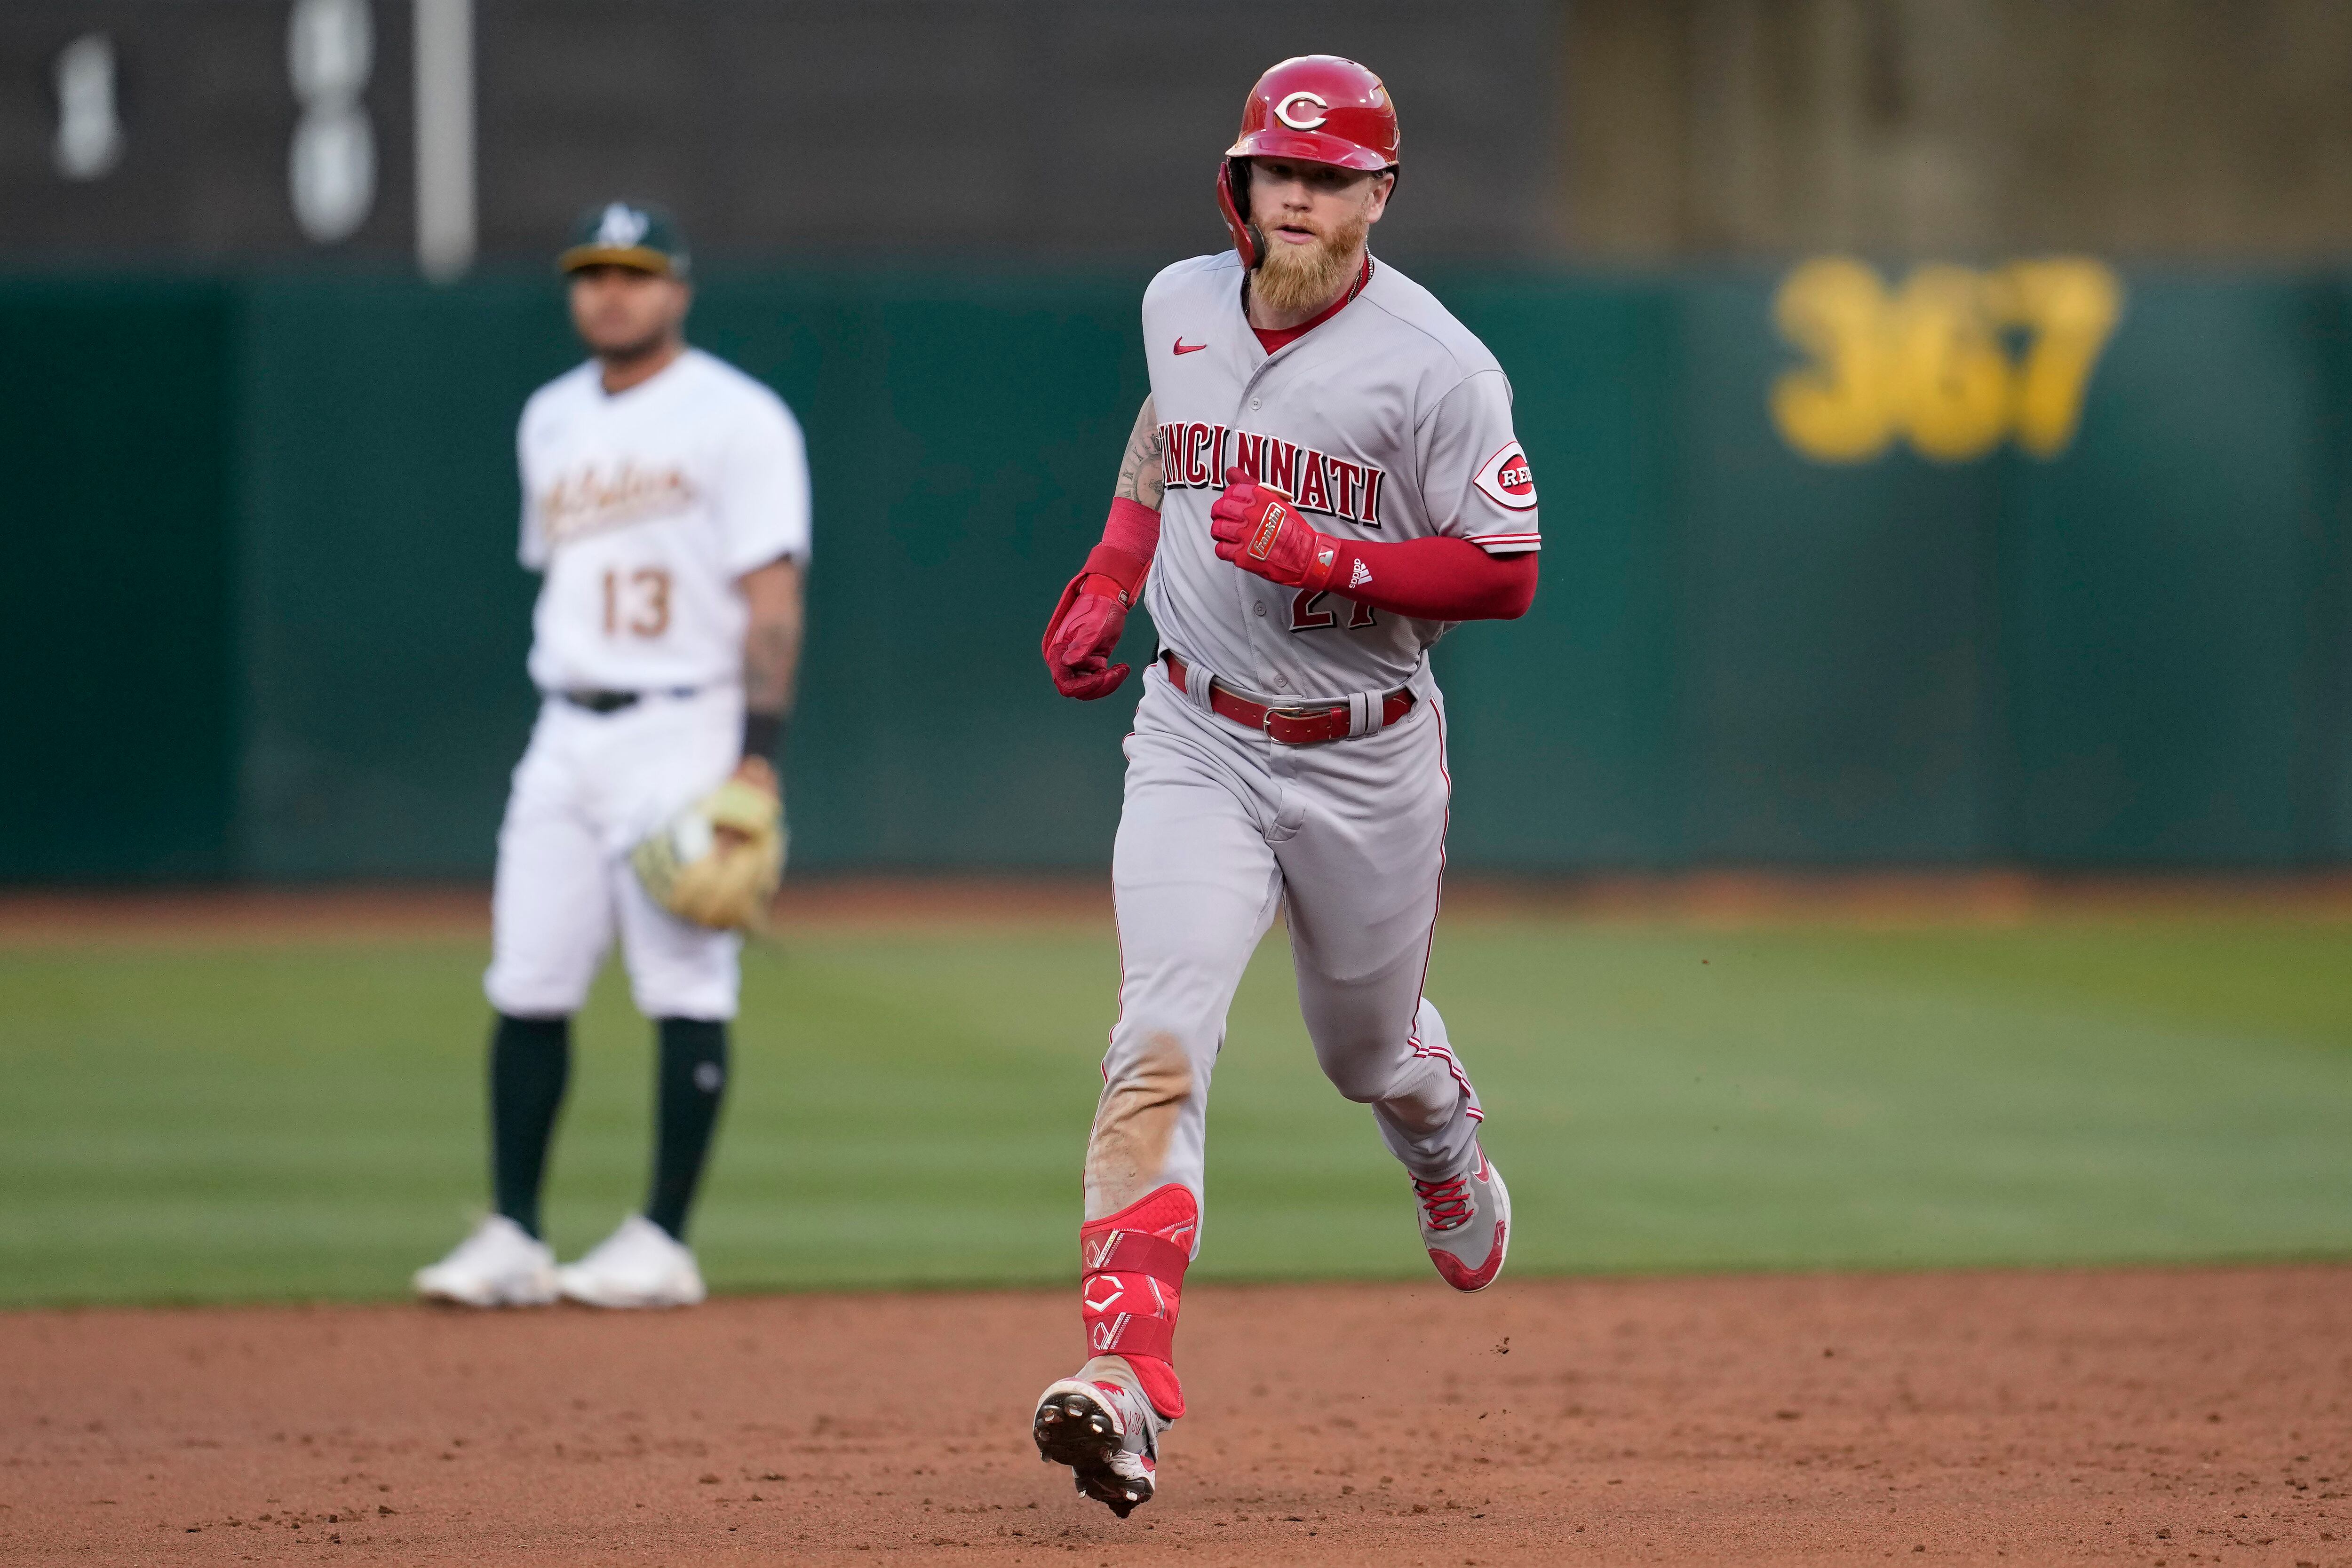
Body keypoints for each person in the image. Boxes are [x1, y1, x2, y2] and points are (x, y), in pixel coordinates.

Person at [1028, 54, 1544, 1517]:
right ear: (1240, 184)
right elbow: (1164, 435)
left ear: (1378, 196)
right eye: (1279, 172)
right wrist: (1118, 566)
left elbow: (1507, 572)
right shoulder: (1179, 301)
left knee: (1360, 1053)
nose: (1300, 197)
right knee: (1159, 1036)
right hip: (1194, 732)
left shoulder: (1440, 366)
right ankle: (1125, 1379)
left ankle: (1443, 1142)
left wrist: (1340, 558)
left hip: (1367, 749)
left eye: (1330, 178)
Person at [413, 200, 810, 1310]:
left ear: (677, 288)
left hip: (685, 720)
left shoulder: (739, 418)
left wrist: (755, 757)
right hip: (563, 728)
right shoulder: (549, 418)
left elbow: (771, 597)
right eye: (593, 272)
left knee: (684, 975)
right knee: (527, 976)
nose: (612, 291)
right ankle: (512, 1231)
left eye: (635, 273)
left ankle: (662, 1237)